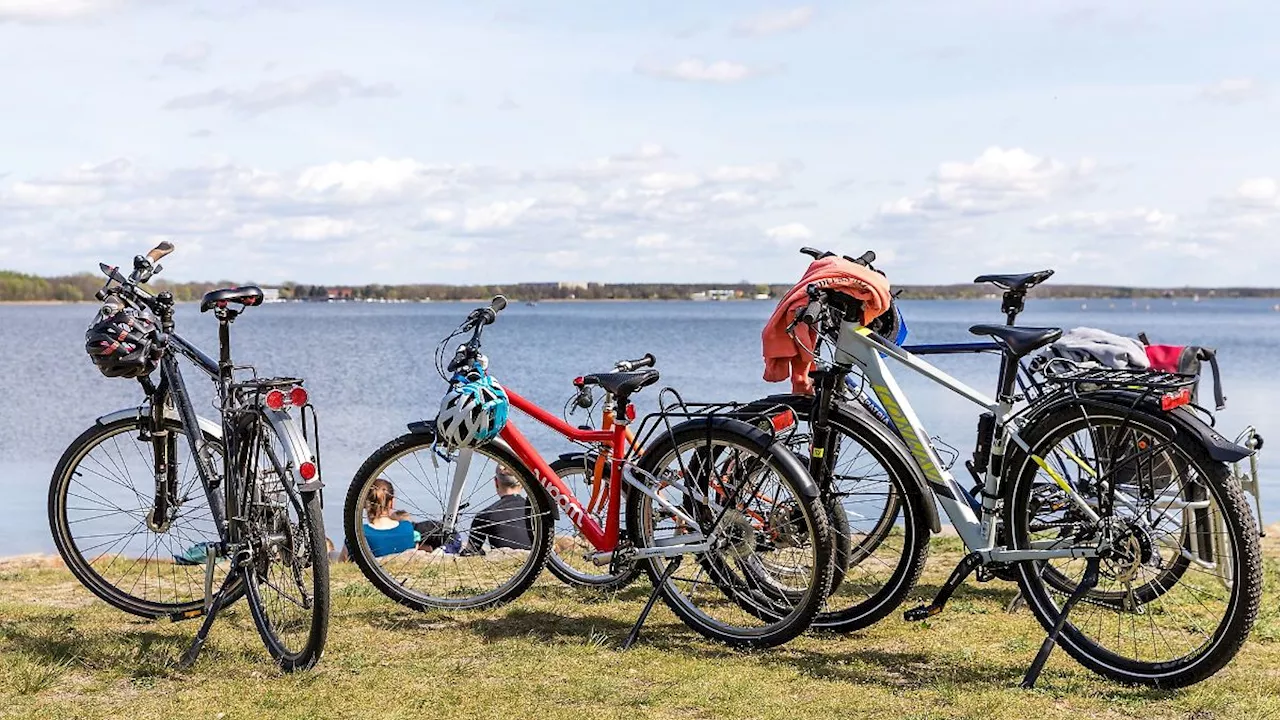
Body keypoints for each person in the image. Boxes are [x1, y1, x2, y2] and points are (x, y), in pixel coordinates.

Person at [466, 465, 533, 554]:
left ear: (496, 482)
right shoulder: (536, 511)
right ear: (522, 484)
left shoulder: (485, 514)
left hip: (503, 561)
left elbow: (470, 552)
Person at [360, 478, 417, 557]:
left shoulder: (361, 533)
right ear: (392, 503)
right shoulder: (407, 527)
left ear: (365, 504)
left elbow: (344, 560)